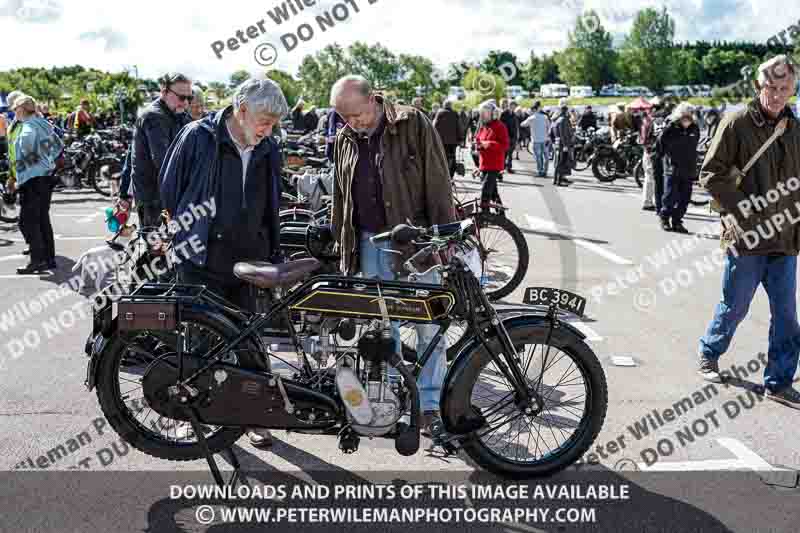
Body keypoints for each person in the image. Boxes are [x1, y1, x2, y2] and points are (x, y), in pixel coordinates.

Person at [160, 77, 289, 446]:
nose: (268, 129)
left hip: (249, 258)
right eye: (264, 120)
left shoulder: (268, 147)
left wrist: (272, 251)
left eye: (273, 124)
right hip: (202, 256)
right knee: (200, 340)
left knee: (249, 339)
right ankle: (193, 413)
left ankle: (253, 417)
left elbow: (271, 204)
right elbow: (170, 189)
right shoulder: (198, 136)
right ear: (242, 109)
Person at [329, 75, 455, 436]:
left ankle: (429, 405)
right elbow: (341, 196)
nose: (352, 123)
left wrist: (442, 237)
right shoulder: (344, 138)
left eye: (356, 115)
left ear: (373, 100)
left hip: (414, 242)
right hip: (369, 243)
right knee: (383, 329)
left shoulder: (411, 122)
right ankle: (388, 400)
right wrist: (342, 246)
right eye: (344, 118)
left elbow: (437, 180)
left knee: (428, 325)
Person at [698, 55, 800, 408]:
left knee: (786, 315)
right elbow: (710, 174)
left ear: (793, 88)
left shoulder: (795, 127)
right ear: (760, 86)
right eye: (771, 87)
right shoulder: (736, 122)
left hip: (785, 240)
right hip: (748, 237)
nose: (776, 94)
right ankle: (709, 353)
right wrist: (744, 210)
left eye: (784, 88)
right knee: (735, 307)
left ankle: (779, 380)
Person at [127, 72, 192, 228]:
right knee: (155, 247)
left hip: (167, 194)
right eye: (181, 97)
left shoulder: (177, 114)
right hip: (153, 197)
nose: (186, 103)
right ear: (164, 92)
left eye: (189, 98)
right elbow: (164, 161)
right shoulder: (154, 117)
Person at [5, 95, 62, 273]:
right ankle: (49, 258)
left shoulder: (28, 126)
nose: (14, 112)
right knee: (42, 219)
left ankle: (37, 260)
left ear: (21, 109)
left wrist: (22, 171)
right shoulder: (42, 123)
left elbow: (27, 151)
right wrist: (46, 161)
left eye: (15, 109)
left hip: (33, 180)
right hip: (46, 177)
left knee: (27, 222)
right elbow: (58, 146)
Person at [655, 102, 699, 233]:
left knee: (684, 198)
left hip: (688, 168)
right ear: (680, 115)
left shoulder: (694, 129)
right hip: (672, 168)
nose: (689, 118)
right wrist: (664, 159)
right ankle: (664, 218)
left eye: (690, 115)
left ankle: (677, 221)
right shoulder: (670, 128)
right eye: (686, 115)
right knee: (670, 196)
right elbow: (660, 145)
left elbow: (694, 146)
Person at [474, 100, 509, 204]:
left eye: (485, 113)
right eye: (481, 113)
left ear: (493, 114)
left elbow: (505, 145)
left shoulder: (500, 126)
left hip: (494, 165)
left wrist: (489, 144)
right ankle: (500, 214)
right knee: (493, 193)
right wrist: (478, 145)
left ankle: (484, 215)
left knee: (485, 193)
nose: (482, 116)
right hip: (484, 164)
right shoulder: (483, 126)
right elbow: (478, 141)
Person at [639, 100, 664, 212]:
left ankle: (650, 201)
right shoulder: (652, 122)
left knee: (650, 177)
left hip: (649, 152)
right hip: (651, 153)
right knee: (651, 178)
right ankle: (648, 202)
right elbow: (646, 140)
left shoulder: (647, 121)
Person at [432, 99, 464, 178]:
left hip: (441, 140)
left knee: (442, 156)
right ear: (451, 106)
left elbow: (434, 125)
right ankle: (451, 174)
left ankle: (442, 173)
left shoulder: (439, 113)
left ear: (444, 105)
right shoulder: (455, 114)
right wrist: (461, 138)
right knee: (452, 156)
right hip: (453, 141)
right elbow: (459, 127)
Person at [521, 101, 550, 177]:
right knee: (546, 156)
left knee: (538, 157)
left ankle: (540, 171)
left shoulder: (531, 118)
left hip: (535, 140)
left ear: (533, 109)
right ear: (539, 108)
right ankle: (545, 171)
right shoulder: (545, 117)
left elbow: (522, 124)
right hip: (544, 139)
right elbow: (549, 127)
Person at [549, 100, 574, 187]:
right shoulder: (563, 120)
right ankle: (559, 181)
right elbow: (563, 134)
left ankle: (556, 180)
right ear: (566, 111)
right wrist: (565, 145)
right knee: (561, 163)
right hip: (563, 144)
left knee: (558, 163)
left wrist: (554, 142)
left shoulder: (556, 120)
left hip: (557, 143)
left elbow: (550, 133)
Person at [499, 99, 519, 175]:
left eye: (515, 106)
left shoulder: (514, 115)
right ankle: (502, 167)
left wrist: (516, 137)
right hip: (506, 136)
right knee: (505, 153)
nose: (514, 107)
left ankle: (509, 167)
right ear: (509, 105)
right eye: (513, 106)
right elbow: (501, 125)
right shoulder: (504, 114)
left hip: (513, 137)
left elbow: (516, 126)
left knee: (510, 153)